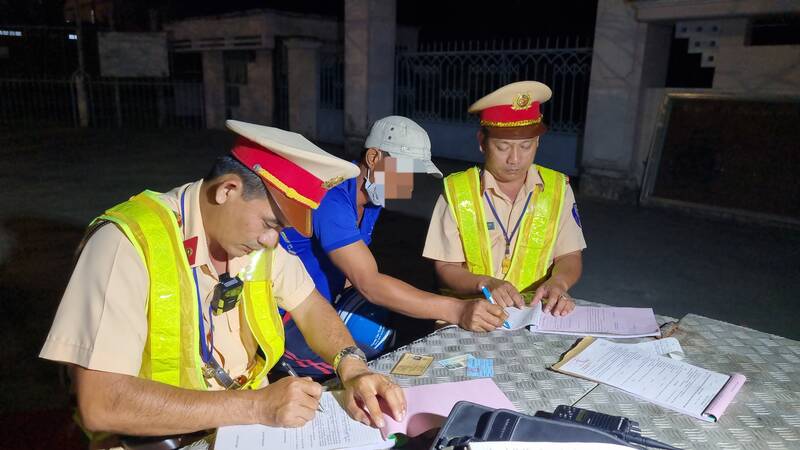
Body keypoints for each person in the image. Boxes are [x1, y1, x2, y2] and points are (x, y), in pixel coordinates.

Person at [39, 120, 406, 448]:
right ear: (226, 190)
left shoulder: (253, 241)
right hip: (158, 440)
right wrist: (256, 406)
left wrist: (352, 365)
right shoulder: (126, 245)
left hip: (244, 428)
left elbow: (310, 306)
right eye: (270, 223)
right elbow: (101, 403)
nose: (272, 241)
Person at [279, 116, 507, 379]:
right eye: (402, 171)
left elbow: (356, 276)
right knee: (361, 369)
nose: (407, 184)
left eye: (412, 175)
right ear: (374, 158)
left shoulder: (372, 200)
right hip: (291, 316)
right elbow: (368, 283)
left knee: (398, 337)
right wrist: (457, 309)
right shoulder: (332, 197)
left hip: (327, 301)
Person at [423, 81, 584, 315]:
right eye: (503, 147)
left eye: (526, 146)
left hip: (534, 312)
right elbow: (446, 266)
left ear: (537, 142)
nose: (515, 159)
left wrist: (559, 283)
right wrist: (485, 283)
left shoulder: (558, 189)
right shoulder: (457, 192)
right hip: (471, 312)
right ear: (482, 142)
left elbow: (570, 255)